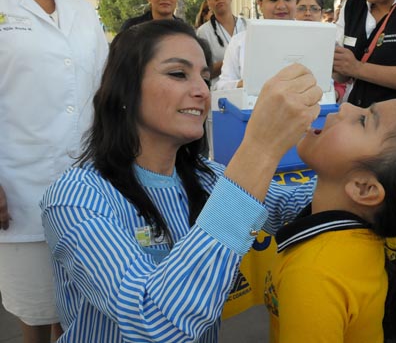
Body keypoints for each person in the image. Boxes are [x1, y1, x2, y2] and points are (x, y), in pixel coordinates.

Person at [40, 19, 321, 343]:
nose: (202, 90)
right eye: (178, 74)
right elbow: (152, 322)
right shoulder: (76, 198)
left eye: (205, 77)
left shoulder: (207, 176)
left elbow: (292, 203)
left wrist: (354, 163)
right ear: (124, 89)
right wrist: (260, 147)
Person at [265, 99, 396, 343]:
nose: (346, 106)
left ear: (364, 188)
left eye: (363, 121)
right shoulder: (367, 238)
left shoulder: (314, 274)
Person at [0, 0, 109, 342]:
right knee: (34, 310)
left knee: (80, 311)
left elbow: (103, 90)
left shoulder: (80, 10)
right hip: (19, 189)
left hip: (86, 190)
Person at [213, 0, 297, 90]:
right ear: (260, 4)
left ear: (295, 2)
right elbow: (222, 85)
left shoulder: (310, 39)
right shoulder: (239, 42)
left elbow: (326, 83)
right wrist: (246, 84)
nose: (281, 5)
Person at [197, 0, 247, 84]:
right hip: (220, 93)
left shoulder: (247, 25)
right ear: (208, 3)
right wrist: (230, 59)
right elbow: (202, 72)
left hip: (249, 91)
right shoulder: (203, 32)